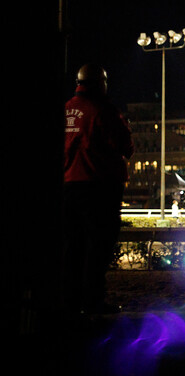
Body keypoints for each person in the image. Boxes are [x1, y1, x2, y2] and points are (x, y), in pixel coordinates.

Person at [62, 64, 134, 316]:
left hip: (68, 187)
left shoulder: (66, 108)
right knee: (98, 247)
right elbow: (127, 146)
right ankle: (92, 302)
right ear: (101, 83)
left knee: (73, 247)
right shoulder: (103, 109)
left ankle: (70, 302)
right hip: (99, 188)